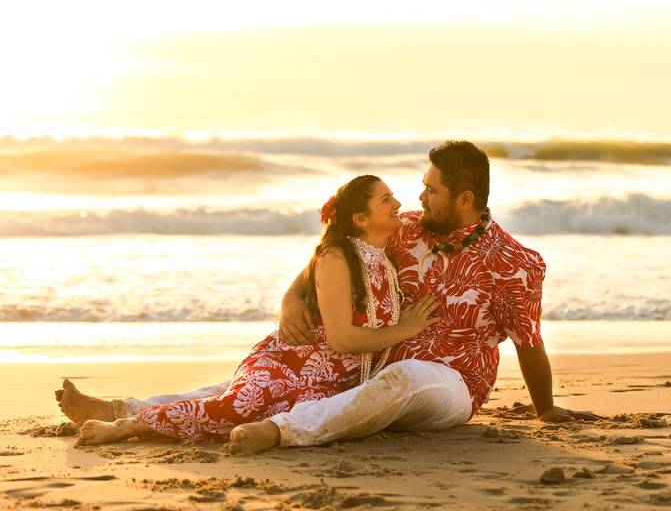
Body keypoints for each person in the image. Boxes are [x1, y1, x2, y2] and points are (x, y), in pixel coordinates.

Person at [228, 141, 597, 453]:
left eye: (432, 190)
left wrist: (545, 407)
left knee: (407, 376)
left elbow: (528, 340)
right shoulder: (405, 230)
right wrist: (292, 296)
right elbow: (339, 254)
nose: (419, 197)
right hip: (372, 367)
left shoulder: (512, 264)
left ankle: (283, 431)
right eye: (424, 185)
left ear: (465, 199)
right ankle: (175, 410)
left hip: (452, 385)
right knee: (274, 379)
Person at [63, 175, 440, 446]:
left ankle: (119, 410)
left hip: (329, 382)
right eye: (386, 200)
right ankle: (129, 425)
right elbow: (342, 338)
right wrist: (406, 329)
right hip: (291, 363)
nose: (398, 205)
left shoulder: (383, 258)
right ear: (360, 219)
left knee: (250, 412)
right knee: (235, 404)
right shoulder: (337, 256)